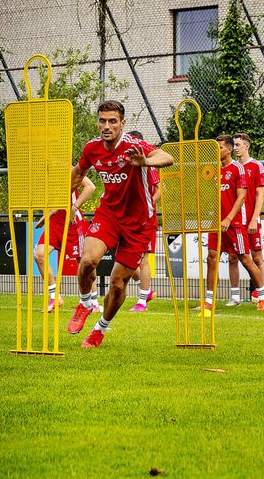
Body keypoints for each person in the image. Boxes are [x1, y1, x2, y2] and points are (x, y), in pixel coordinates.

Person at [68, 101, 174, 348]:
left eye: (112, 121)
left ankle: (99, 329)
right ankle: (85, 303)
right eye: (102, 120)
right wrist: (56, 204)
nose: (107, 126)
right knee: (87, 261)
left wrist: (144, 162)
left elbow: (167, 157)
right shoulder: (92, 148)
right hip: (109, 214)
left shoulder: (133, 146)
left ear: (122, 124)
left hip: (139, 223)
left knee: (117, 284)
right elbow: (77, 175)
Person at [202, 135, 263, 311]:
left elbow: (242, 196)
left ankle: (263, 296)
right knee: (211, 258)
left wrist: (229, 218)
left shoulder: (238, 169)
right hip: (216, 223)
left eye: (219, 148)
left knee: (245, 259)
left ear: (228, 150)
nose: (216, 151)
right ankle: (209, 301)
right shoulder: (213, 169)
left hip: (234, 223)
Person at [34, 174, 97, 313]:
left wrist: (74, 208)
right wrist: (49, 213)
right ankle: (55, 297)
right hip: (56, 223)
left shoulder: (70, 170)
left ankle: (94, 301)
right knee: (39, 255)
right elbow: (60, 199)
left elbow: (90, 187)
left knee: (84, 262)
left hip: (73, 223)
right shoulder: (45, 173)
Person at [233, 133, 264, 309]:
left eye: (238, 145)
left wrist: (255, 218)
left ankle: (261, 294)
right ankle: (235, 296)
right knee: (235, 256)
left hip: (250, 219)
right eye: (233, 145)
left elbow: (260, 194)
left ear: (246, 146)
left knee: (256, 257)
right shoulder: (232, 167)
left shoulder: (256, 166)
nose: (235, 148)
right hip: (235, 220)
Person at [126, 131, 160, 313]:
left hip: (145, 219)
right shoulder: (126, 164)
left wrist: (148, 205)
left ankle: (142, 301)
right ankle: (146, 289)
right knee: (126, 259)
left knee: (143, 259)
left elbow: (161, 188)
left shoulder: (149, 164)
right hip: (128, 219)